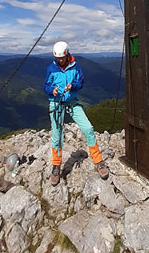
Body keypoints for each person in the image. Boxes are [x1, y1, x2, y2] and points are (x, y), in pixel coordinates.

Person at [44, 41, 109, 186]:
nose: (60, 61)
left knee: (88, 128)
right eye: (58, 58)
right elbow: (46, 86)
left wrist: (73, 86)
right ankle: (56, 165)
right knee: (57, 133)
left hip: (72, 101)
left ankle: (98, 161)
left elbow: (81, 82)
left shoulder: (75, 66)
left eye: (62, 58)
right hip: (56, 102)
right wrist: (52, 90)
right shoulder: (51, 68)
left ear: (67, 55)